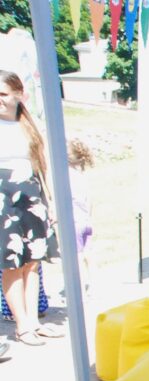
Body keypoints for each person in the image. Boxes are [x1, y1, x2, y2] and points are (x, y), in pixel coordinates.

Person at [0, 70, 62, 346]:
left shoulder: (30, 125)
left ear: (18, 94)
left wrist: (52, 202)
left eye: (3, 94)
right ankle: (21, 324)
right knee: (12, 263)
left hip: (32, 195)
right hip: (4, 199)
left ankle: (34, 322)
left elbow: (44, 166)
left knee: (33, 262)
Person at [67, 138, 95, 293]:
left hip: (74, 221)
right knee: (88, 254)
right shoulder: (82, 175)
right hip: (86, 220)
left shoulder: (67, 176)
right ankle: (92, 283)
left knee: (76, 257)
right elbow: (89, 200)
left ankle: (79, 289)